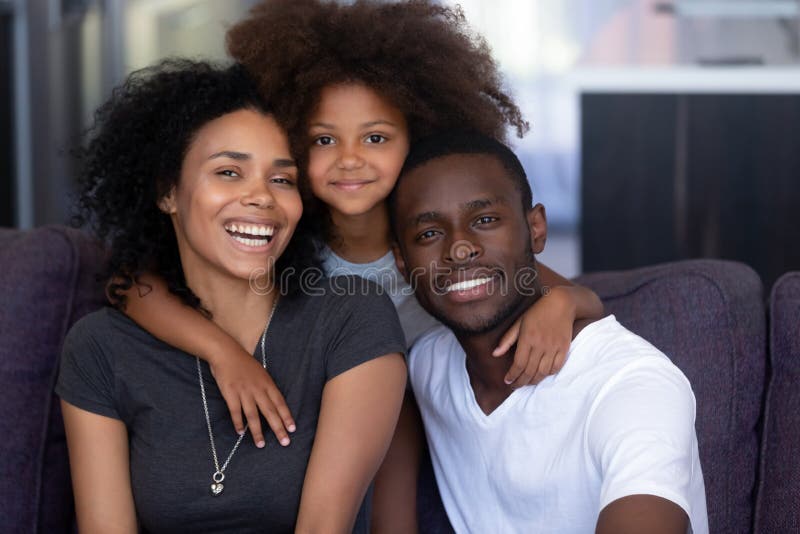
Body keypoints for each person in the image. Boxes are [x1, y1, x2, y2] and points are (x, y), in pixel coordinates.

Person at [118, 0, 605, 528]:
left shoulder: (441, 246)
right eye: (323, 140)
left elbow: (575, 294)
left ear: (417, 137)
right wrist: (222, 354)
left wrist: (560, 305)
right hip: (314, 417)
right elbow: (130, 286)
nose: (350, 160)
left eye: (376, 138)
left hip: (416, 413)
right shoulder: (276, 238)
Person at [56, 59, 407, 533]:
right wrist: (221, 351)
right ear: (168, 193)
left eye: (282, 179)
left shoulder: (351, 318)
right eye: (228, 172)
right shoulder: (100, 348)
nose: (261, 196)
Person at [388, 131, 709, 533]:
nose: (459, 248)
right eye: (429, 234)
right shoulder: (425, 368)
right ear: (402, 261)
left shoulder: (631, 384)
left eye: (485, 220)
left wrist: (571, 299)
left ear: (536, 228)